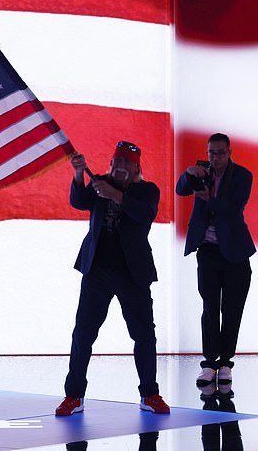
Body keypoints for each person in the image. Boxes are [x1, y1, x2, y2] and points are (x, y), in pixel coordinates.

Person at [55, 141, 170, 416]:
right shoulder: (99, 183)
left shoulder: (147, 190)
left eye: (127, 164)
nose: (120, 168)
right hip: (98, 270)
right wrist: (79, 174)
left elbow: (146, 214)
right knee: (83, 333)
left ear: (137, 168)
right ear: (111, 164)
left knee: (144, 335)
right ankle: (74, 396)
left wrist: (116, 196)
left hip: (133, 273)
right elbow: (78, 202)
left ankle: (149, 394)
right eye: (117, 162)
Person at [175, 133, 255, 387]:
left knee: (232, 310)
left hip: (235, 252)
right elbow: (180, 189)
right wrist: (189, 173)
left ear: (230, 152)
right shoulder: (202, 171)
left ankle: (226, 363)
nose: (215, 158)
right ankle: (209, 363)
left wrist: (210, 200)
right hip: (208, 250)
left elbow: (234, 208)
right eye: (211, 152)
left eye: (220, 153)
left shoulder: (242, 175)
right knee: (210, 308)